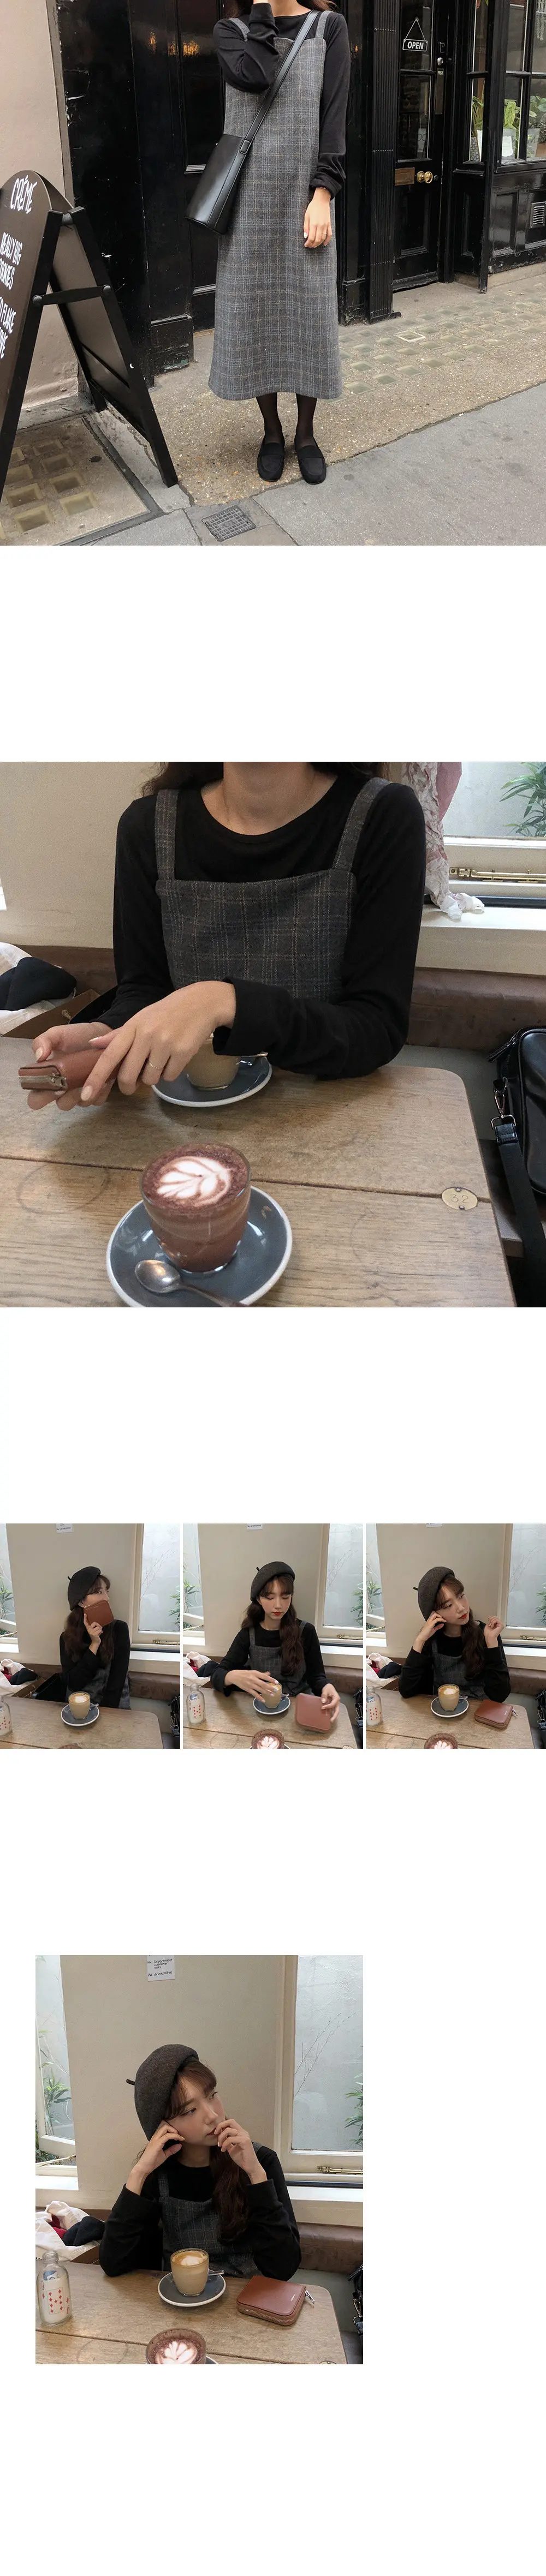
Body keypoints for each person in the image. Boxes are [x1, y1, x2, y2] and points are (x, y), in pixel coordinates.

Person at [28, 762, 425, 1102]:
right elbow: (145, 990)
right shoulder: (146, 827)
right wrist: (106, 1035)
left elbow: (376, 1028)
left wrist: (227, 1001)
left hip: (330, 1114)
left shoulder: (383, 815)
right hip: (186, 1123)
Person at [209, 1, 351, 486]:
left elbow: (334, 118)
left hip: (304, 202)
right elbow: (257, 76)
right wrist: (262, 15)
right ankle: (271, 432)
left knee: (309, 318)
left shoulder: (329, 28)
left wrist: (323, 193)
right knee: (257, 318)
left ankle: (305, 434)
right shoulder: (231, 32)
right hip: (248, 207)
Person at [100, 2042, 301, 2279]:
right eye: (190, 2111)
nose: (213, 2116)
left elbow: (284, 2268)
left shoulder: (260, 2161)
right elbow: (113, 2264)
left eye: (212, 2095)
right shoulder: (158, 2173)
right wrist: (139, 2173)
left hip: (248, 2295)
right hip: (180, 2296)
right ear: (163, 2126)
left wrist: (256, 2175)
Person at [204, 1556, 340, 1717]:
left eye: (285, 1597)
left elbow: (317, 1677)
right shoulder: (248, 1634)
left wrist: (326, 1686)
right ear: (259, 1599)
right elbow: (218, 1674)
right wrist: (232, 1676)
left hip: (299, 1707)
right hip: (262, 1708)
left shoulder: (306, 1631)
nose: (278, 1605)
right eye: (270, 1597)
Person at [399, 1565, 510, 1704]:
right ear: (434, 1614)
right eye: (448, 1606)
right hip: (442, 1711)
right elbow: (406, 1691)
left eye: (461, 1596)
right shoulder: (431, 1640)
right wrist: (420, 1640)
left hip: (480, 1711)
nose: (461, 1608)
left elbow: (500, 1695)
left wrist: (492, 1644)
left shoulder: (487, 1634)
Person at [34, 1567, 130, 1708]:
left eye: (106, 1591)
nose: (107, 1598)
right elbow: (74, 1683)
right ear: (81, 1602)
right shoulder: (67, 1638)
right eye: (99, 1592)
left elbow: (116, 1684)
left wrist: (106, 1715)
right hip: (78, 1707)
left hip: (114, 1708)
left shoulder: (119, 1630)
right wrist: (94, 1645)